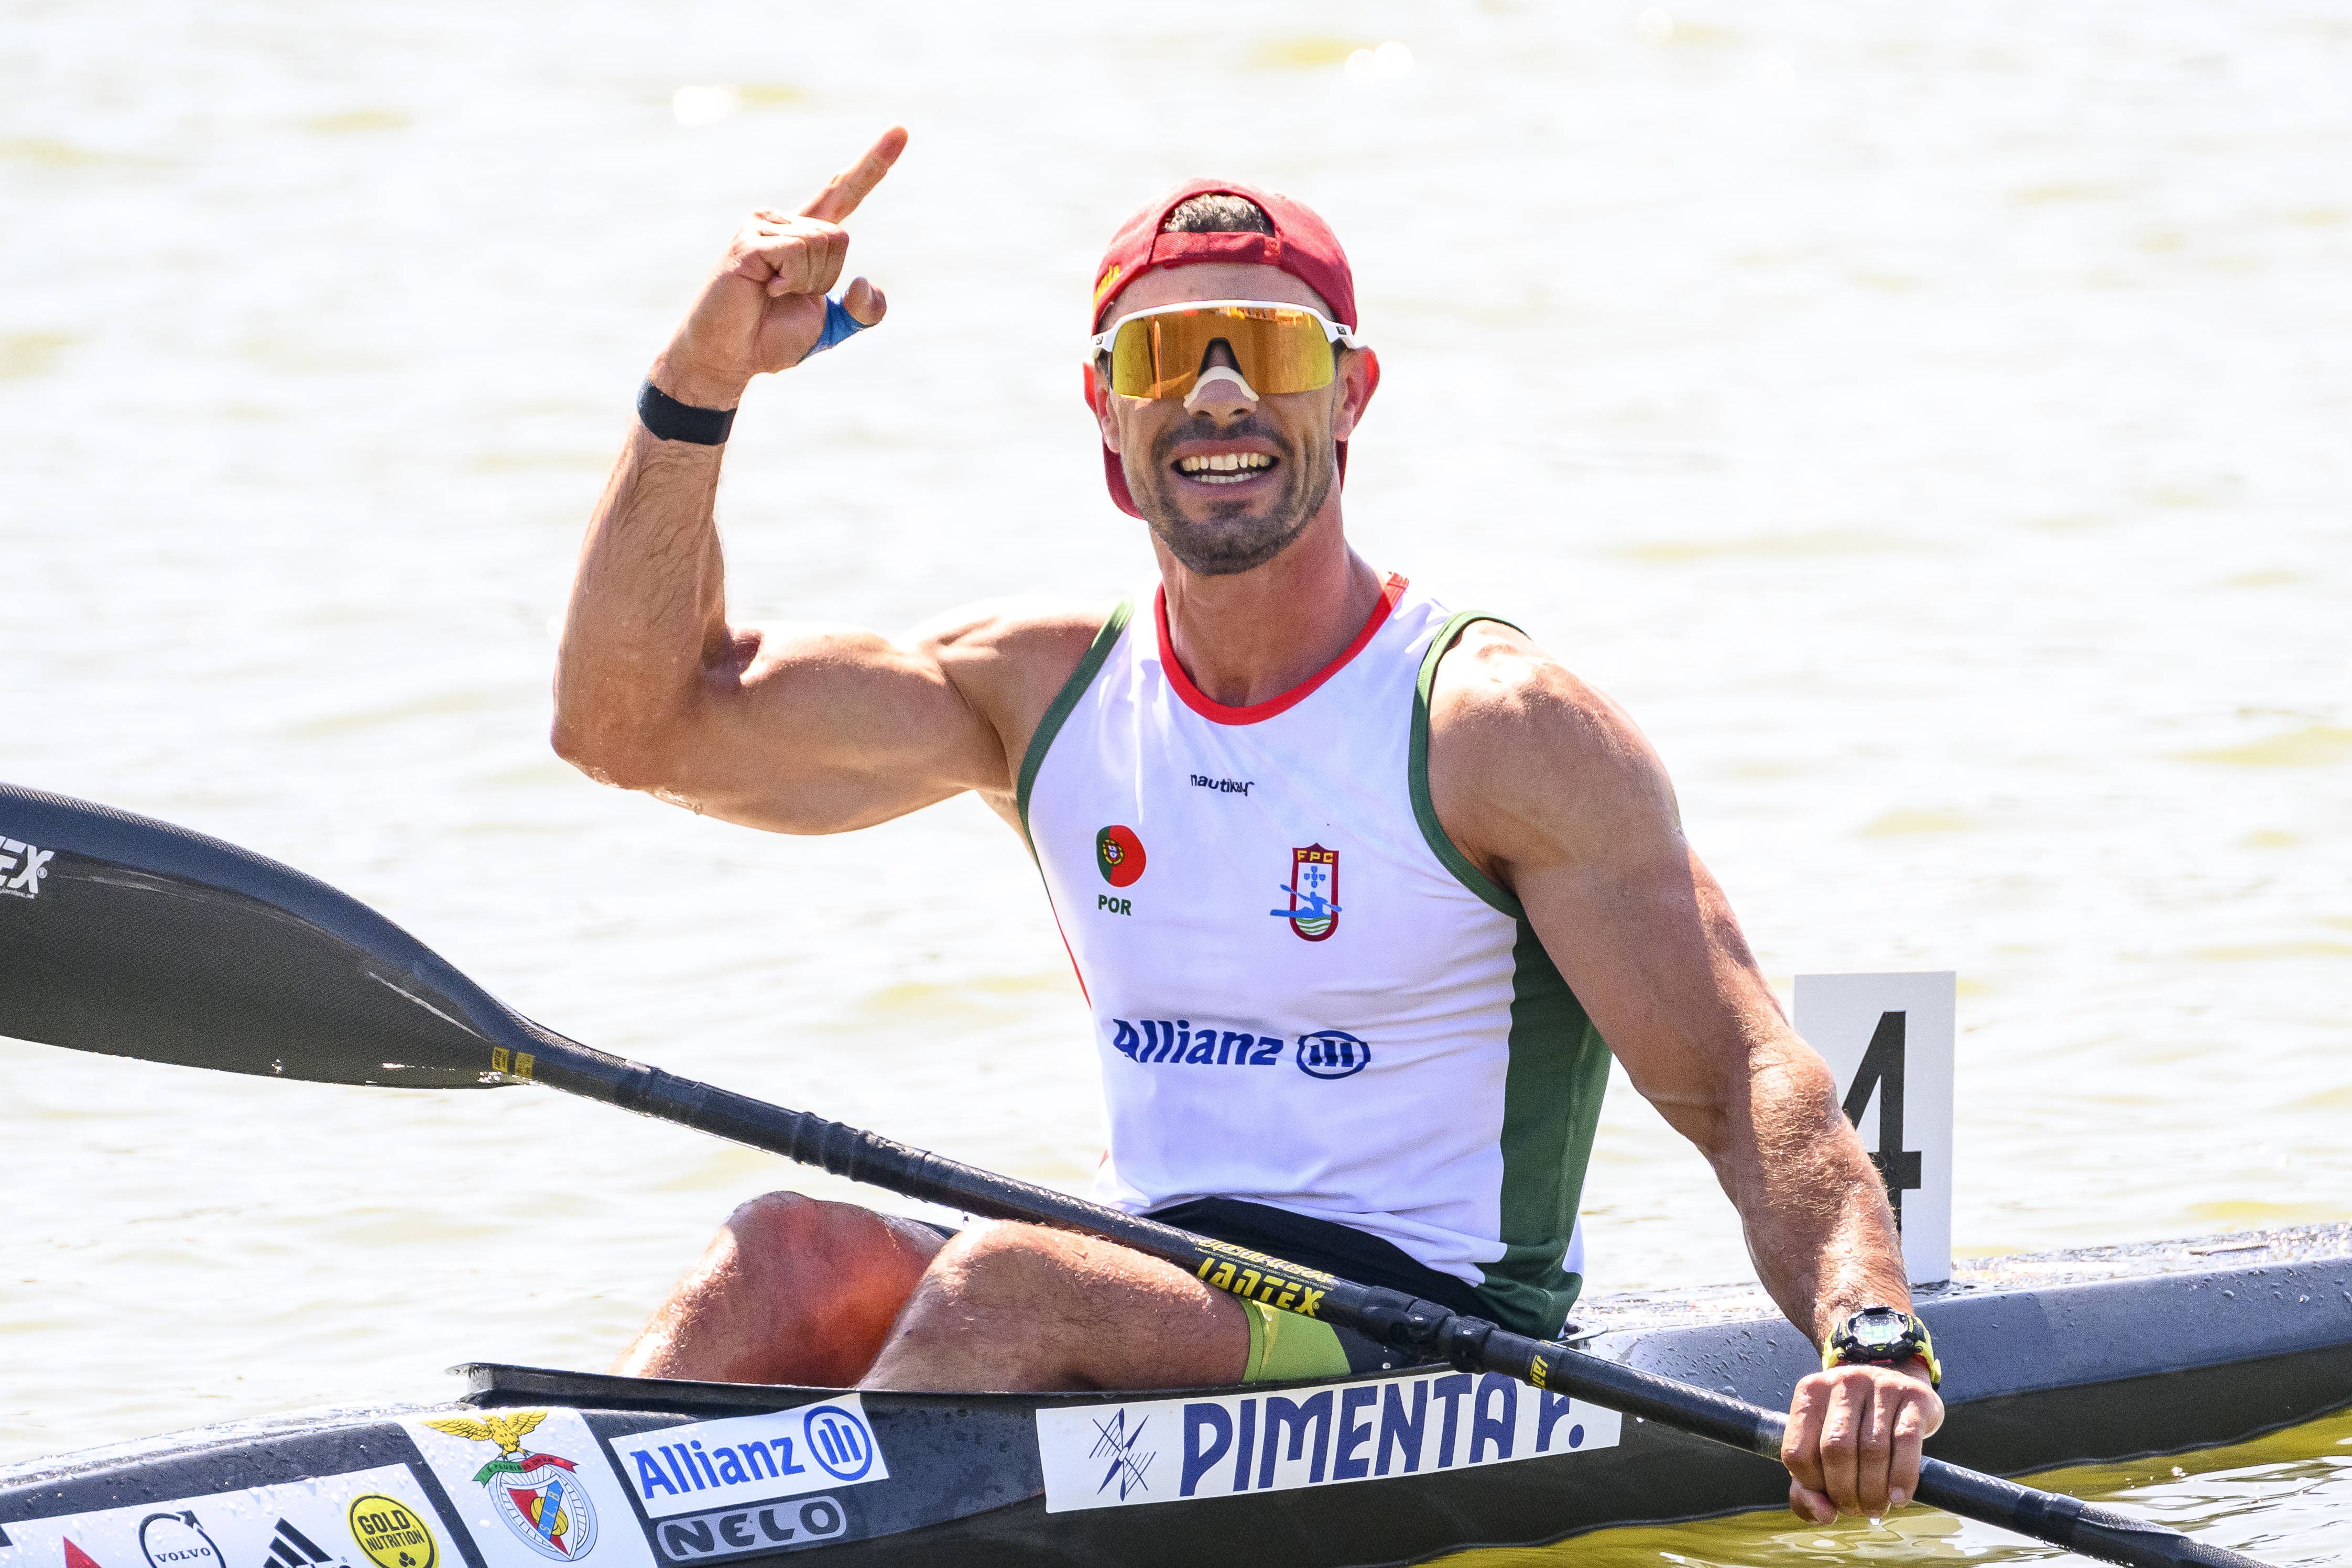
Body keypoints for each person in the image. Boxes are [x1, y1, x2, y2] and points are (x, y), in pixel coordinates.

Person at [551, 126, 1943, 1524]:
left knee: (1004, 1286)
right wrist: (699, 383)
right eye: (1164, 361)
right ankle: (539, 1516)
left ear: (1350, 395)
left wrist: (1868, 1328)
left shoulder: (1496, 731)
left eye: (1267, 353)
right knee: (778, 1252)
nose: (1218, 400)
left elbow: (1740, 1074)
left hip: (1419, 1326)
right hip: (1141, 1270)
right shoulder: (1039, 694)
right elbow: (629, 727)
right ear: (1107, 416)